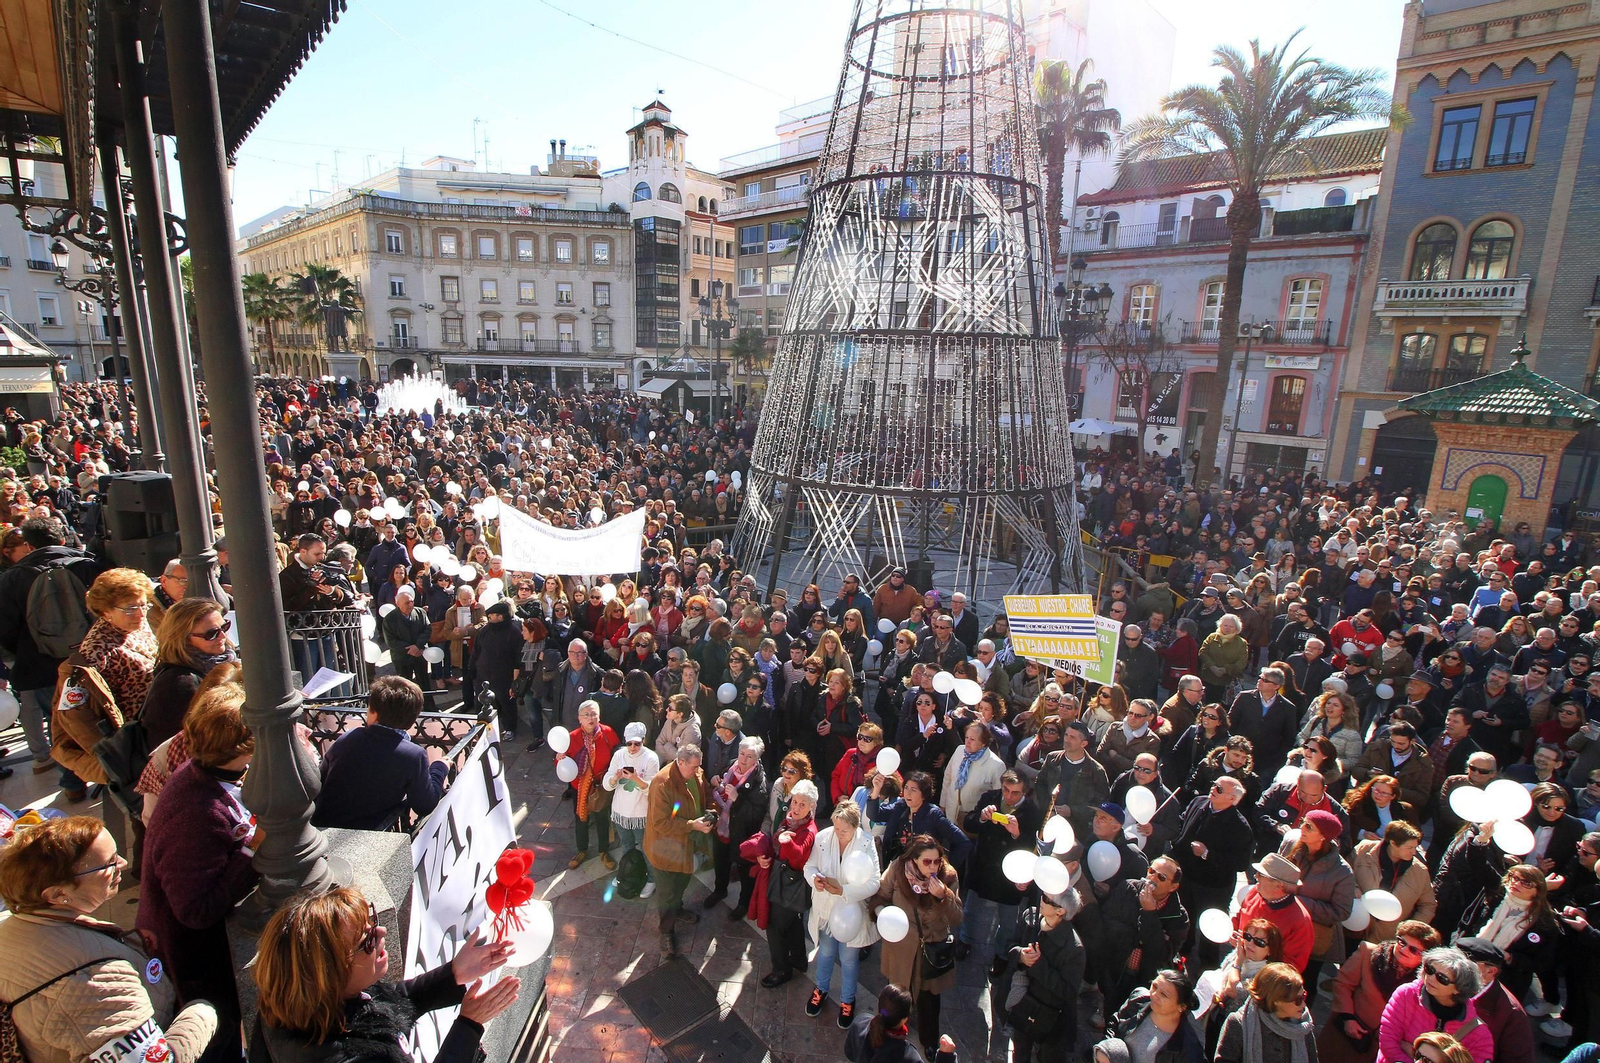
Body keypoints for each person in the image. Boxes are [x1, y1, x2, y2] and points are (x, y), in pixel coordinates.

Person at [0, 816, 220, 1063]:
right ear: (58, 893)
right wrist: (203, 1012)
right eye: (109, 863)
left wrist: (126, 944)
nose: (124, 864)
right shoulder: (93, 984)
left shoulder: (14, 926)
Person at [252, 885, 518, 1063]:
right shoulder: (354, 1058)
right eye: (366, 939)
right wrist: (469, 1025)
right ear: (331, 973)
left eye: (373, 922)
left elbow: (392, 1003)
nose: (381, 933)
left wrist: (454, 973)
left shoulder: (292, 1003)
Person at [137, 684, 261, 1055]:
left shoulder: (203, 773)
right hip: (199, 964)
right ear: (242, 746)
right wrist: (253, 850)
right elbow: (195, 910)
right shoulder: (197, 812)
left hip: (214, 951)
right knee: (218, 1042)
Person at [0, 515, 106, 788]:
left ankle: (72, 782)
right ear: (62, 539)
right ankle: (106, 774)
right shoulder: (88, 566)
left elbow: (5, 629)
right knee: (101, 717)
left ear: (30, 545)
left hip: (42, 665)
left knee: (58, 723)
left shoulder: (11, 579)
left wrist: (26, 652)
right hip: (93, 657)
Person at [872, 834, 964, 1059]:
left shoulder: (948, 877)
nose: (933, 867)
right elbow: (881, 897)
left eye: (937, 861)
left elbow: (957, 918)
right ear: (913, 859)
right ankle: (887, 1028)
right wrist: (882, 914)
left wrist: (944, 896)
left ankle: (929, 1040)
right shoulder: (897, 870)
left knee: (929, 1001)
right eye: (926, 862)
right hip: (900, 948)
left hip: (929, 951)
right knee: (894, 995)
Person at [314, 676, 448, 830]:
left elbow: (320, 779)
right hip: (370, 835)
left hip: (323, 827)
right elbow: (425, 804)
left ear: (374, 713)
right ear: (413, 719)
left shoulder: (348, 737)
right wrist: (440, 767)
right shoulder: (413, 755)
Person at [803, 799, 880, 1027]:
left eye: (844, 831)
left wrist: (845, 891)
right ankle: (821, 988)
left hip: (852, 914)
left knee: (848, 958)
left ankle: (848, 1001)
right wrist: (814, 880)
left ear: (856, 828)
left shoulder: (866, 843)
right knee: (825, 952)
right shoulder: (823, 837)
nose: (838, 833)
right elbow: (810, 866)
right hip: (827, 910)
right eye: (836, 827)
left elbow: (874, 881)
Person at [1319, 920, 1440, 1063]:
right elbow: (1342, 983)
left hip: (1379, 1047)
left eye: (1413, 949)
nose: (1404, 949)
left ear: (1424, 957)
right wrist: (1348, 1018)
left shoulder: (1425, 982)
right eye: (1402, 942)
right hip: (1345, 1033)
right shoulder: (1368, 952)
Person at [959, 770, 1041, 974]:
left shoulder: (1031, 812)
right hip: (983, 868)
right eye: (1006, 790)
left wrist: (1017, 834)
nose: (1009, 796)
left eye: (1015, 793)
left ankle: (1003, 954)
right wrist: (982, 818)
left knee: (1007, 921)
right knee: (970, 910)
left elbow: (1034, 846)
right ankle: (965, 940)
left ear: (1025, 792)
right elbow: (968, 823)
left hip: (1010, 874)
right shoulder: (990, 798)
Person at [645, 743, 714, 960]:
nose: (698, 771)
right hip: (664, 851)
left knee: (682, 881)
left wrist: (711, 809)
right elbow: (661, 823)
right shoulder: (662, 783)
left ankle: (679, 908)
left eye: (698, 767)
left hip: (686, 847)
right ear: (681, 762)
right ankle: (666, 932)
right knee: (666, 893)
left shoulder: (695, 772)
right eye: (694, 767)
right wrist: (692, 825)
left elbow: (706, 793)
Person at [141, 597, 237, 748]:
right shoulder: (177, 684)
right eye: (211, 633)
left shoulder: (223, 658)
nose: (223, 637)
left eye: (224, 627)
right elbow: (174, 746)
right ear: (183, 639)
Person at [1005, 890, 1086, 1063]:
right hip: (1024, 1002)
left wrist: (1037, 964)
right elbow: (1010, 944)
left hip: (1050, 1015)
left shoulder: (1074, 949)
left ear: (1060, 911)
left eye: (1048, 899)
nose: (1041, 899)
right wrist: (1020, 955)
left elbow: (1068, 991)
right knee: (1020, 1052)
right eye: (1043, 895)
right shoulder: (1030, 917)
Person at [1376, 947, 1495, 1063]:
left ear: (1459, 989)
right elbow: (1388, 1042)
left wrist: (1411, 1050)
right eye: (1430, 970)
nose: (1431, 978)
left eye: (1442, 978)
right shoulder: (1406, 994)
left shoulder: (1477, 1032)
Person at [1279, 807, 1357, 984]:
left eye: (1309, 827)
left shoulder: (1342, 872)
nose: (1302, 829)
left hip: (1310, 938)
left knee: (1304, 983)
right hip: (1280, 926)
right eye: (1303, 824)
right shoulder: (1293, 847)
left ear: (1323, 836)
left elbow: (1341, 911)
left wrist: (1299, 903)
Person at [760, 777, 818, 988]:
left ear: (812, 807)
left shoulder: (809, 830)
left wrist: (788, 842)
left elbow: (799, 855)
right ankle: (799, 960)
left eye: (802, 804)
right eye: (795, 802)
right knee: (793, 922)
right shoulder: (791, 819)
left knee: (775, 926)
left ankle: (781, 970)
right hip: (786, 880)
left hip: (791, 884)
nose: (796, 807)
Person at [708, 732, 769, 916]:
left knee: (744, 870)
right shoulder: (732, 765)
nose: (743, 759)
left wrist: (738, 799)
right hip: (723, 827)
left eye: (749, 756)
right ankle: (720, 890)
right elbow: (721, 779)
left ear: (756, 759)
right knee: (720, 862)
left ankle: (743, 903)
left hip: (742, 834)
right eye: (742, 753)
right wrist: (715, 781)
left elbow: (756, 814)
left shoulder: (759, 782)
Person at [1453, 937, 1536, 1063]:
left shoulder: (1511, 1013)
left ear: (1490, 971)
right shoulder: (1440, 981)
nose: (1451, 967)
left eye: (1463, 964)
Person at [1351, 821, 1436, 942]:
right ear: (1393, 843)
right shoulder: (1363, 850)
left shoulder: (1420, 872)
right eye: (1409, 848)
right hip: (1353, 927)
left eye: (1415, 847)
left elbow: (1428, 905)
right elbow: (1344, 872)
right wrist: (1353, 887)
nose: (1414, 852)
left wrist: (1409, 930)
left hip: (1385, 937)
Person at [1214, 962, 1316, 1063]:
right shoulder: (1239, 1023)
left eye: (1304, 996)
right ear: (1276, 1001)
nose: (1303, 1005)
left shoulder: (1303, 1026)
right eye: (1298, 1000)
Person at [604, 721, 661, 897]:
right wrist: (614, 778)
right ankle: (627, 873)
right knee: (626, 846)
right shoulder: (619, 755)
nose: (633, 747)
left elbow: (652, 789)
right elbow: (607, 784)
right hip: (621, 811)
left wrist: (636, 779)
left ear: (644, 740)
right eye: (629, 743)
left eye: (637, 743)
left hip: (641, 815)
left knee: (645, 849)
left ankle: (652, 879)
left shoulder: (651, 758)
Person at [561, 700, 619, 871]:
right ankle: (582, 851)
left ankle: (603, 851)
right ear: (579, 718)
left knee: (602, 818)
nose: (590, 718)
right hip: (579, 786)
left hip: (602, 786)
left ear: (599, 716)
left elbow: (617, 754)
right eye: (586, 715)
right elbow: (561, 764)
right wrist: (559, 759)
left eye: (594, 714)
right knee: (581, 818)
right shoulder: (571, 738)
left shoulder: (608, 733)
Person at [1234, 853, 1315, 972]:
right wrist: (1233, 932)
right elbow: (1239, 918)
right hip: (1237, 962)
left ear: (1278, 885)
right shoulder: (1254, 894)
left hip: (1264, 981)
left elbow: (1292, 967)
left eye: (1261, 874)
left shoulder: (1299, 921)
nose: (1255, 876)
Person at [1106, 968, 1207, 1063]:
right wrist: (1107, 1051)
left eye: (1164, 995)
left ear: (1181, 1006)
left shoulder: (1189, 1048)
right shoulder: (1139, 999)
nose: (1154, 995)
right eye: (1154, 986)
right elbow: (1115, 1021)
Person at [844, 983, 957, 1063]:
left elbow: (850, 1053)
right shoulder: (908, 1056)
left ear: (879, 1003)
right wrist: (946, 1057)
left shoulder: (859, 1023)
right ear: (904, 1019)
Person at [471, 600, 524, 739]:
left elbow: (518, 656)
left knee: (506, 703)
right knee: (481, 703)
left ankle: (509, 728)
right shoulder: (485, 630)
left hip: (503, 676)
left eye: (491, 616)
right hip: (483, 675)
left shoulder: (514, 632)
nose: (489, 619)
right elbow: (476, 651)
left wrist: (515, 679)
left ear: (500, 617)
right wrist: (472, 668)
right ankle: (482, 727)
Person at [941, 721, 1005, 823]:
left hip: (972, 819)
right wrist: (943, 803)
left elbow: (998, 797)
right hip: (951, 813)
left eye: (972, 739)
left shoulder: (996, 765)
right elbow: (948, 777)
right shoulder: (959, 750)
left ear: (983, 742)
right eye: (966, 737)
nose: (967, 742)